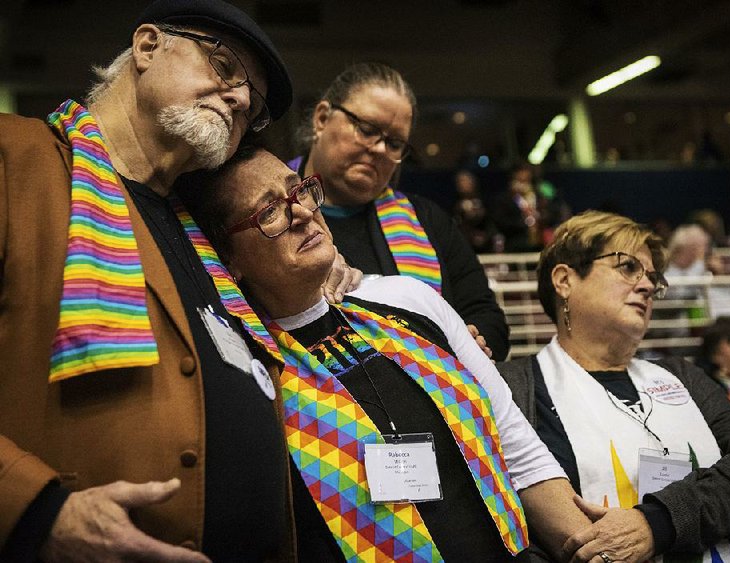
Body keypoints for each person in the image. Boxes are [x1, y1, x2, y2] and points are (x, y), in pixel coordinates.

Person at [0, 1, 354, 560]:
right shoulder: (16, 159)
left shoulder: (204, 229)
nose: (239, 99)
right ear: (146, 47)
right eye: (225, 66)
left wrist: (322, 264)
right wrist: (37, 513)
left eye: (253, 106)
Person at [177, 146, 602, 562]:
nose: (302, 212)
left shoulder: (409, 301)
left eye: (299, 191)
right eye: (269, 211)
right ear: (226, 258)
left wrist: (594, 551)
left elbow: (515, 446)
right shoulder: (243, 375)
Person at [497, 210, 730, 561]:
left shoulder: (683, 376)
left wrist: (658, 524)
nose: (648, 285)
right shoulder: (517, 390)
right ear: (564, 280)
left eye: (653, 277)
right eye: (627, 268)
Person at [287, 62, 510, 360]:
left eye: (394, 143)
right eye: (367, 129)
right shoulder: (270, 208)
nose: (379, 149)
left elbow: (487, 316)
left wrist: (470, 341)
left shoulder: (428, 221)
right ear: (322, 118)